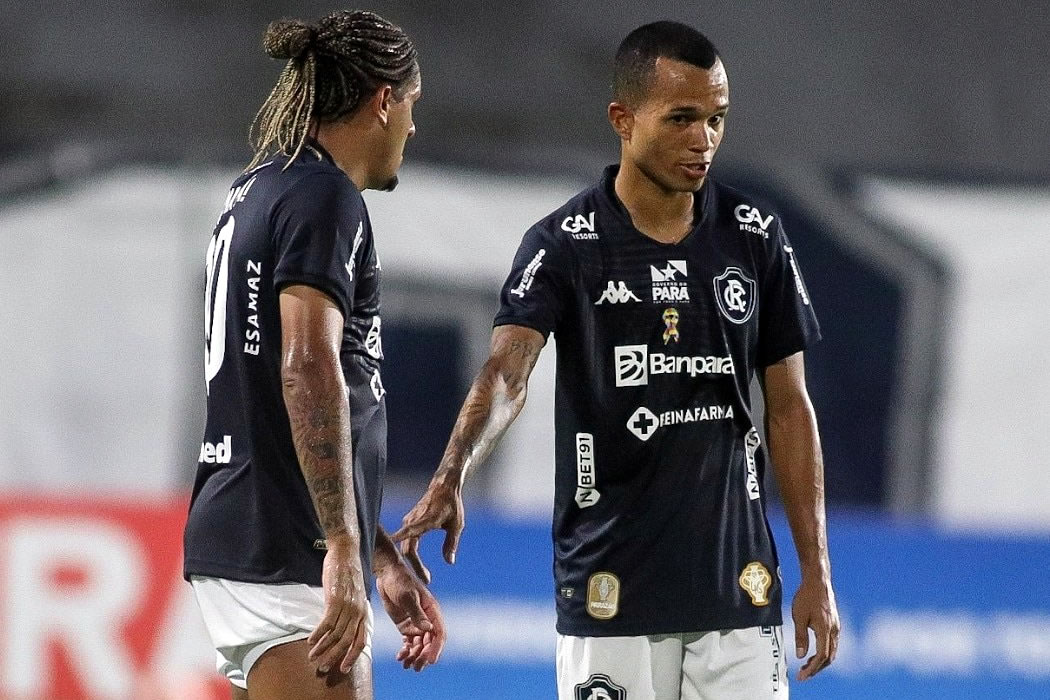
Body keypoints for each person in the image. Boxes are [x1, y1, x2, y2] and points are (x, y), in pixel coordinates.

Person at [394, 20, 839, 700]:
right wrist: (453, 474)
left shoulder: (754, 237)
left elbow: (789, 407)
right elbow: (507, 373)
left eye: (716, 119)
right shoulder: (565, 244)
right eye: (682, 118)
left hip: (739, 591)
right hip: (610, 591)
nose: (704, 139)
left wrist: (817, 572)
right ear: (623, 120)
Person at [183, 11, 444, 699]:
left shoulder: (261, 188)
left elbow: (276, 400)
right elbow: (306, 368)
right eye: (412, 105)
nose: (413, 129)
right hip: (287, 543)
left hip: (251, 525)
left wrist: (376, 553)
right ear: (384, 100)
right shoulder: (325, 197)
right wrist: (343, 549)